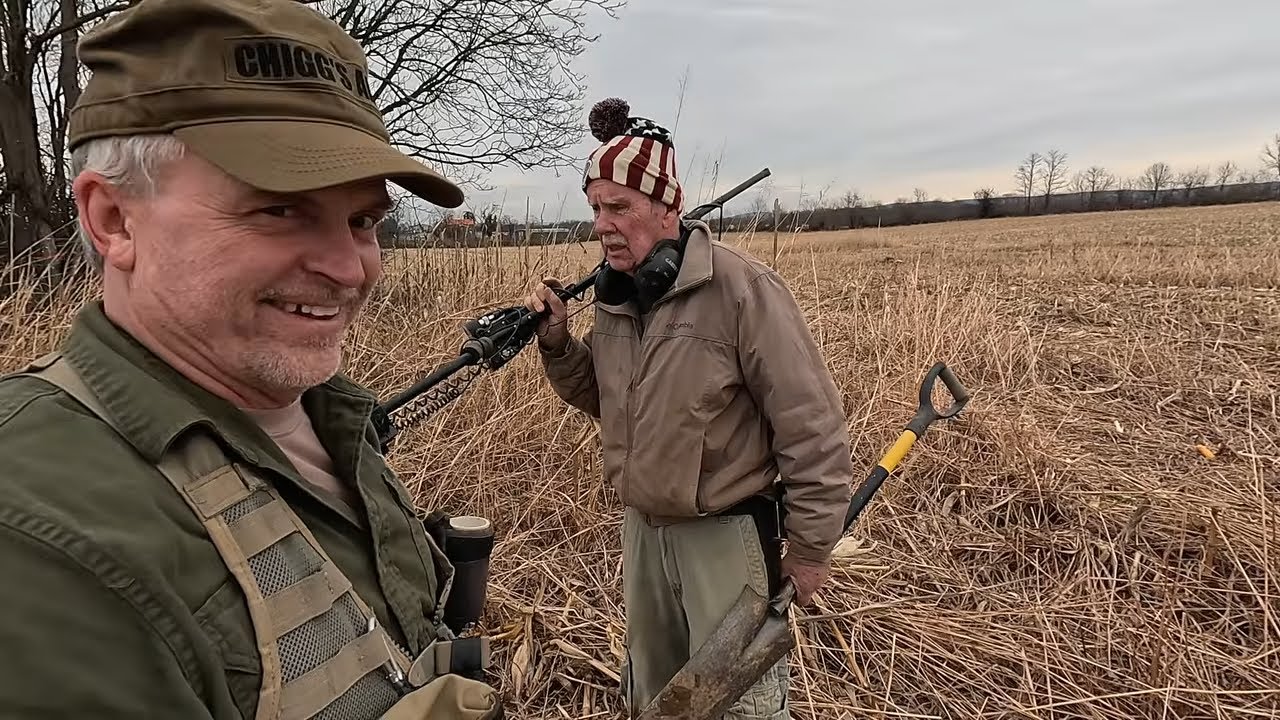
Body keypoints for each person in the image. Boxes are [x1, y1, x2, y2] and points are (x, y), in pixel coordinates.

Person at [0, 0, 502, 718]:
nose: (348, 267)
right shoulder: (38, 530)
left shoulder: (322, 418)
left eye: (362, 220)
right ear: (113, 220)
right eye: (280, 209)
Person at [524, 97, 856, 719]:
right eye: (595, 207)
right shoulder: (617, 296)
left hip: (725, 540)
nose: (601, 223)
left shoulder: (742, 290)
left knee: (739, 706)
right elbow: (609, 399)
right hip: (644, 535)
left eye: (619, 206)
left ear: (667, 207)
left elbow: (812, 430)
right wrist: (560, 346)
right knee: (657, 699)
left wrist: (810, 551)